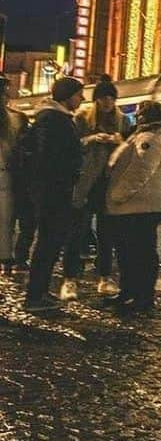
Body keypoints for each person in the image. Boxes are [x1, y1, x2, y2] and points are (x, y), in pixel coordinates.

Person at [105, 100, 161, 313]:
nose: (137, 117)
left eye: (140, 114)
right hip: (141, 203)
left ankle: (142, 296)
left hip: (142, 204)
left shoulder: (151, 139)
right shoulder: (153, 136)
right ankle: (131, 291)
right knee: (132, 249)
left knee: (140, 251)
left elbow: (140, 171)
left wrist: (117, 195)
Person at [61, 75, 128, 298]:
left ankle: (105, 276)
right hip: (85, 183)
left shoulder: (122, 121)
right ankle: (70, 279)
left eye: (111, 98)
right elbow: (72, 147)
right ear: (96, 100)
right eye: (103, 98)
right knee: (76, 232)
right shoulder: (81, 118)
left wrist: (119, 142)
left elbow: (130, 151)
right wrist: (92, 139)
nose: (108, 102)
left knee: (107, 234)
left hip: (110, 184)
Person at [24, 75, 85, 311]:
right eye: (79, 94)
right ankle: (34, 296)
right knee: (48, 242)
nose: (81, 99)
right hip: (54, 191)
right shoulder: (54, 119)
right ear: (68, 95)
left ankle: (39, 291)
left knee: (50, 242)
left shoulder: (53, 117)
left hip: (52, 189)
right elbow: (51, 157)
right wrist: (65, 181)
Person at [0, 75, 29, 275]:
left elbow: (21, 149)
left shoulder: (16, 118)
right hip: (6, 175)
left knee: (6, 221)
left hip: (7, 175)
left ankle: (6, 257)